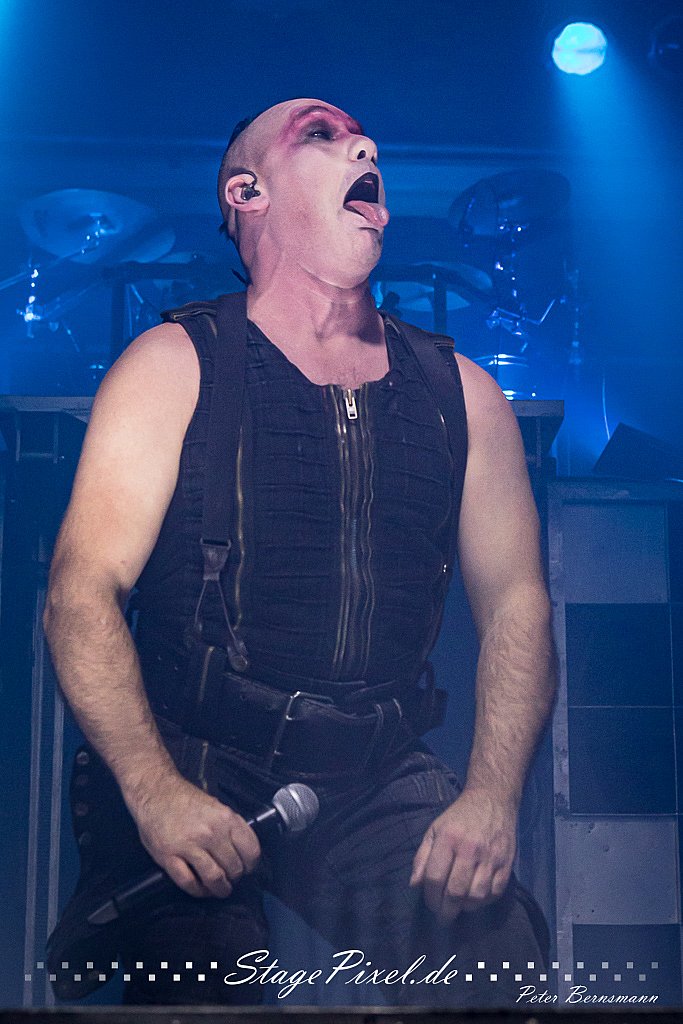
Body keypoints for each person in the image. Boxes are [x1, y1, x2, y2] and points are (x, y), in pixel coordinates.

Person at [43, 98, 556, 1007]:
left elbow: (516, 601)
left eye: (361, 137)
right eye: (318, 135)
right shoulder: (171, 366)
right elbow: (80, 594)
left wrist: (489, 797)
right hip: (198, 756)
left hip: (375, 771)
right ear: (247, 193)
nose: (362, 145)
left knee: (496, 968)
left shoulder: (464, 394)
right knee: (202, 988)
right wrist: (154, 791)